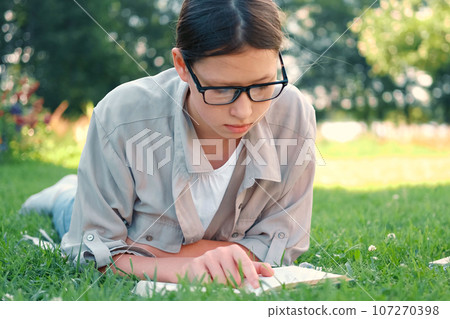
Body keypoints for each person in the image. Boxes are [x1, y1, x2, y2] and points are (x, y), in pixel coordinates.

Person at [20, 0, 316, 289]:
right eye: (222, 89)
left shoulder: (294, 114)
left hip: (141, 231)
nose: (244, 111)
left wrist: (137, 247)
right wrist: (187, 268)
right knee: (70, 210)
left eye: (262, 85)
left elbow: (282, 247)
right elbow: (90, 250)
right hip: (81, 206)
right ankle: (62, 193)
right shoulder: (122, 114)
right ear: (182, 65)